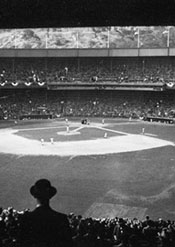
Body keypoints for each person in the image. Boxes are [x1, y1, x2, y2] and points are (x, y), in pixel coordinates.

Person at [19, 179, 73, 247]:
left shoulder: (26, 218)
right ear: (50, 196)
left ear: (35, 195)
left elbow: (23, 242)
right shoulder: (61, 219)